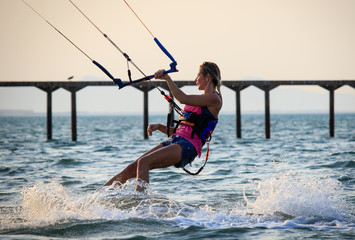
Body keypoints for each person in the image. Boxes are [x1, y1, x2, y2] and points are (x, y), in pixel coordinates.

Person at [104, 62, 222, 189]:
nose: (195, 79)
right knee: (133, 167)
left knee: (144, 162)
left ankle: (140, 205)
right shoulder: (200, 100)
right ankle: (97, 197)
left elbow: (182, 98)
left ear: (208, 77)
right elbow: (181, 131)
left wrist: (167, 78)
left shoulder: (215, 99)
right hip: (177, 140)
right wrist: (160, 127)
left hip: (188, 146)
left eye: (198, 75)